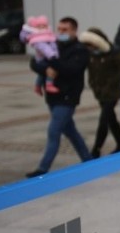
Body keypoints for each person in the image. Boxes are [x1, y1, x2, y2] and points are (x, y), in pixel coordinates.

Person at [26, 17, 93, 177]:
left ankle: (43, 168)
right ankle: (89, 160)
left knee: (54, 131)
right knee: (70, 131)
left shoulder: (80, 50)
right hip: (52, 96)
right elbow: (35, 62)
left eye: (65, 30)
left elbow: (71, 69)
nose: (61, 32)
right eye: (59, 29)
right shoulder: (53, 44)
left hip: (67, 97)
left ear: (74, 30)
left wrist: (52, 64)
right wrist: (45, 70)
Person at [78, 27, 120, 157]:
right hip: (99, 92)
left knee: (104, 120)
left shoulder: (114, 52)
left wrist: (111, 83)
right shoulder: (91, 55)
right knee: (111, 119)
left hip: (111, 92)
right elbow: (90, 71)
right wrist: (93, 84)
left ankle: (96, 149)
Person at [20, 15, 59, 95]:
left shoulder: (47, 34)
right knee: (51, 71)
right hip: (42, 58)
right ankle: (49, 84)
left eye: (44, 25)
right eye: (39, 26)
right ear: (35, 27)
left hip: (45, 57)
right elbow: (44, 48)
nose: (42, 27)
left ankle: (37, 86)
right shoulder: (37, 38)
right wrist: (52, 55)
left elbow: (53, 43)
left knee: (41, 73)